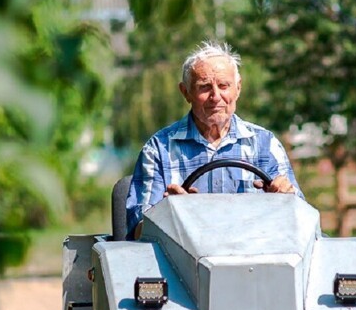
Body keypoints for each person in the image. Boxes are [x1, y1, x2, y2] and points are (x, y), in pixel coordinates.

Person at [125, 40, 304, 239]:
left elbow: (302, 225)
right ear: (186, 93)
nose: (215, 96)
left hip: (254, 262)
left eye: (223, 86)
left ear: (238, 88)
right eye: (204, 87)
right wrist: (168, 214)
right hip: (183, 266)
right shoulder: (159, 149)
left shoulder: (265, 145)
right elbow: (137, 235)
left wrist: (286, 200)